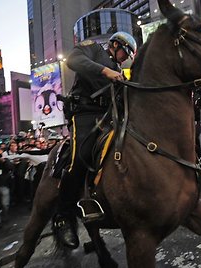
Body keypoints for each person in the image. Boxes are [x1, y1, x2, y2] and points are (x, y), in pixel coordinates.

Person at [53, 31, 137, 249]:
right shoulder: (93, 49)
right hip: (84, 113)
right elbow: (73, 60)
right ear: (115, 44)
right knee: (80, 156)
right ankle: (63, 216)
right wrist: (105, 70)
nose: (123, 58)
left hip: (108, 117)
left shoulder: (120, 72)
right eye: (124, 52)